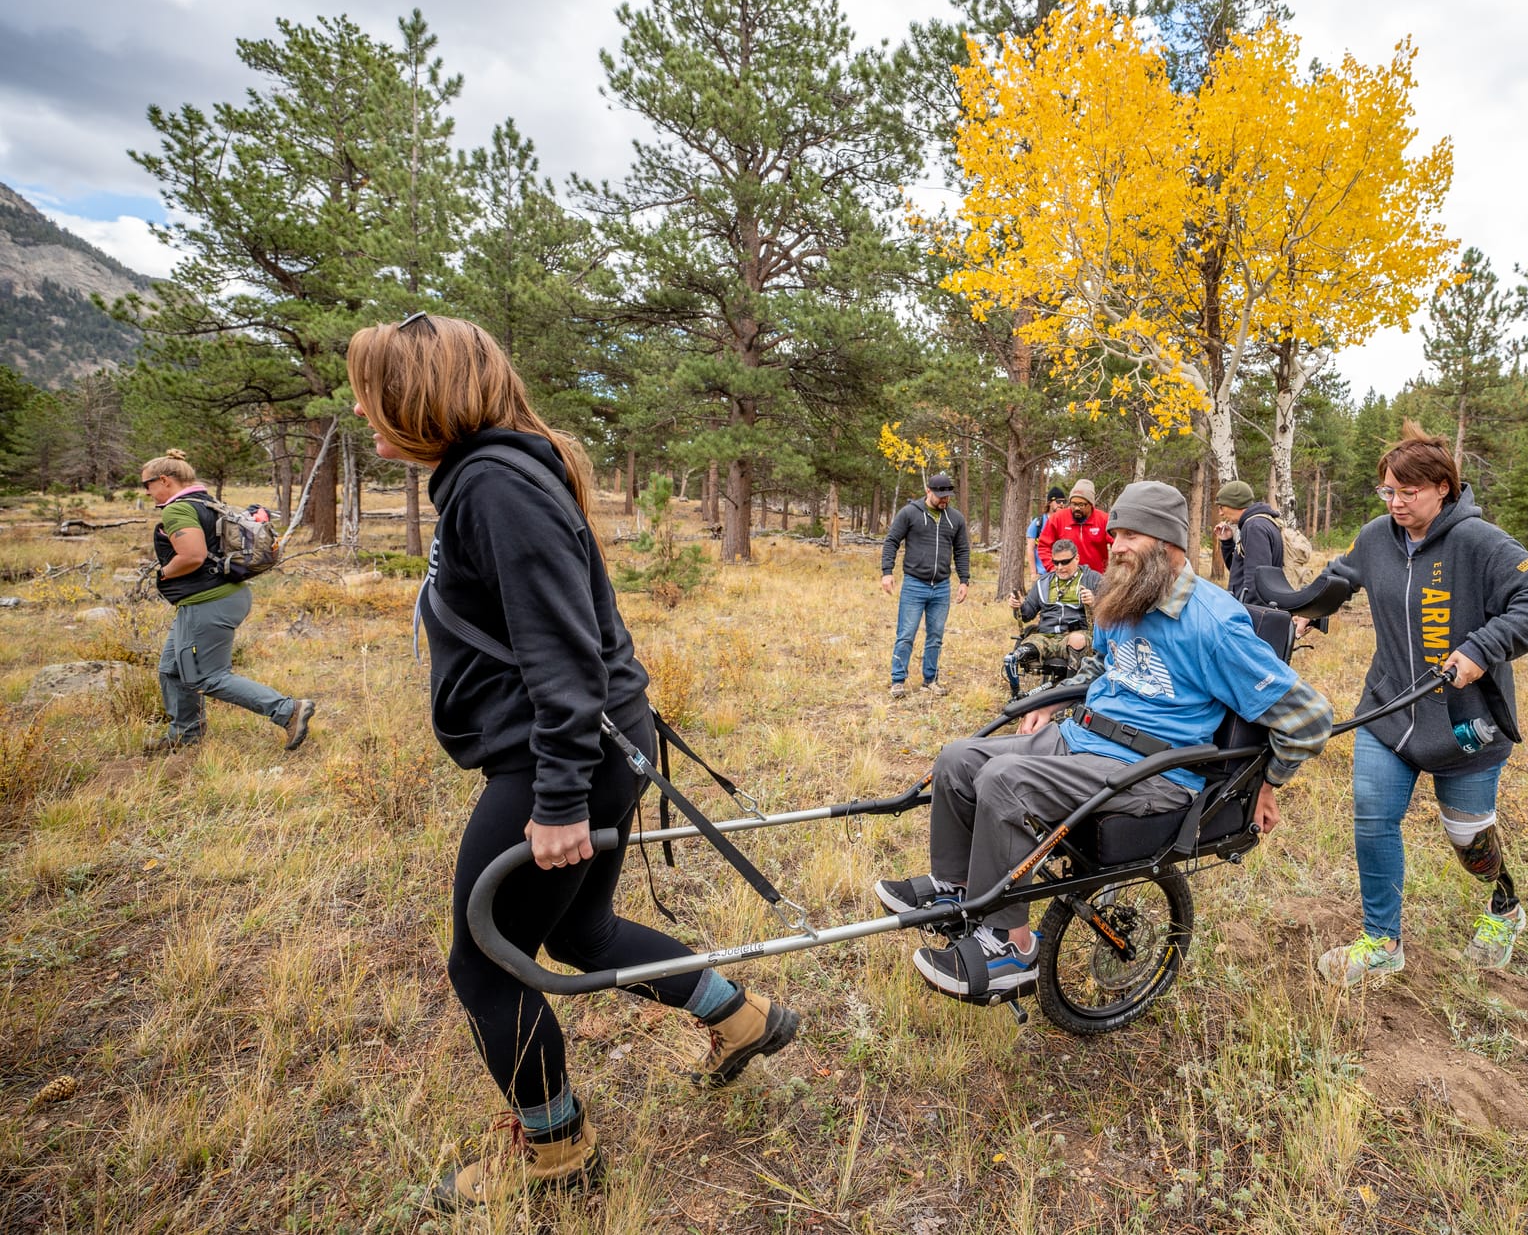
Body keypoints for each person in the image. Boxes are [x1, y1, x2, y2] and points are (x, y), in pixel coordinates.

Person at [347, 313, 798, 1211]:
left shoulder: (492, 486)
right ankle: (739, 1016)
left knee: (484, 964)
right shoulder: (492, 474)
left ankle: (555, 1149)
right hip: (590, 751)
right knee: (580, 934)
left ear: (420, 397)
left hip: (562, 762)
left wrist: (554, 801)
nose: (367, 416)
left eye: (376, 397)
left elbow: (564, 658)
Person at [875, 482, 1335, 998]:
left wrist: (1267, 783)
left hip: (1153, 770)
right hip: (1082, 738)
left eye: (1132, 534)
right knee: (958, 759)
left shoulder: (1212, 623)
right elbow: (1102, 664)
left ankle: (1011, 949)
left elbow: (1310, 717)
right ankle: (960, 892)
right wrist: (1053, 701)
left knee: (1006, 781)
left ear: (1169, 544)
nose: (1115, 545)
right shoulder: (1127, 595)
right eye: (1115, 532)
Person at [1257, 422, 1528, 988]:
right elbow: (1340, 580)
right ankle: (1383, 941)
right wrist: (1302, 614)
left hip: (1463, 721)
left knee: (1469, 842)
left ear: (1444, 489)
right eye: (1388, 492)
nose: (1396, 504)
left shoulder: (1480, 543)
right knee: (1373, 820)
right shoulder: (1378, 535)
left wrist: (1482, 647)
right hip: (1391, 709)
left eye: (1409, 493)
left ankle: (1504, 905)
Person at [140, 449, 314, 755]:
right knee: (172, 669)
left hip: (208, 603)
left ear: (164, 480)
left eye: (147, 484)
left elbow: (192, 556)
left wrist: (162, 573)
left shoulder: (177, 510)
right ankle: (185, 735)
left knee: (208, 676)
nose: (147, 491)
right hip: (222, 597)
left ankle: (287, 710)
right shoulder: (207, 502)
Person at [880, 471, 972, 697]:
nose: (944, 500)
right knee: (906, 633)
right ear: (928, 491)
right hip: (914, 584)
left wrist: (964, 580)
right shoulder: (909, 513)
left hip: (941, 586)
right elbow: (892, 541)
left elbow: (961, 550)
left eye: (948, 496)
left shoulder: (955, 519)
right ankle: (898, 681)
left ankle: (930, 680)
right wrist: (887, 572)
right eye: (940, 495)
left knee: (935, 636)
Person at [1003, 536, 1100, 695]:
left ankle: (1069, 695)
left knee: (1077, 640)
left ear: (1077, 558)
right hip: (1045, 637)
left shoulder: (1092, 579)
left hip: (1077, 634)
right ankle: (1017, 697)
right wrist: (1018, 606)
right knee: (1013, 657)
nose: (1060, 567)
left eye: (1065, 562)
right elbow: (1026, 614)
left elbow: (1110, 613)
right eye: (1056, 563)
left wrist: (1095, 602)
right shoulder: (1043, 583)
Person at [1036, 478, 1111, 572]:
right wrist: (1052, 568)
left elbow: (1117, 544)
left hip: (1096, 578)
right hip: (1065, 577)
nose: (1076, 508)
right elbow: (1044, 546)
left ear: (1091, 504)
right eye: (1073, 503)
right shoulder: (1058, 519)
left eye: (1081, 505)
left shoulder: (1104, 520)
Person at [1025, 486, 1065, 550]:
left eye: (1064, 501)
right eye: (1058, 501)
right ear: (1049, 502)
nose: (1062, 504)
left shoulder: (1066, 523)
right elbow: (1030, 548)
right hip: (1040, 559)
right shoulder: (1038, 523)